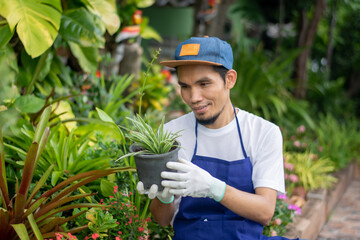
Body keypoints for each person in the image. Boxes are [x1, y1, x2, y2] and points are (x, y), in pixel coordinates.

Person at [136, 36, 300, 240]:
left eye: (204, 84)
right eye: (185, 86)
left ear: (229, 79)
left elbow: (265, 212)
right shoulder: (170, 134)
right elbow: (162, 219)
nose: (193, 97)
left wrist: (213, 188)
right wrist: (164, 196)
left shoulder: (263, 132)